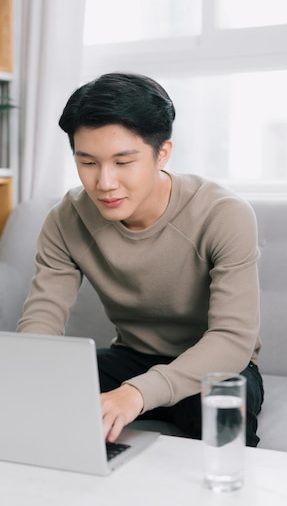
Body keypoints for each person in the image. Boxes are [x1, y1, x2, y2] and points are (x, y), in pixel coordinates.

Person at [17, 72, 264, 447]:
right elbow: (42, 319)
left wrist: (137, 394)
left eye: (122, 162)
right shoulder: (66, 219)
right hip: (131, 358)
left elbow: (232, 340)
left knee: (223, 413)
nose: (105, 183)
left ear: (162, 152)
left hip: (212, 367)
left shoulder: (223, 214)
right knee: (38, 395)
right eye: (88, 163)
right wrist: (27, 375)